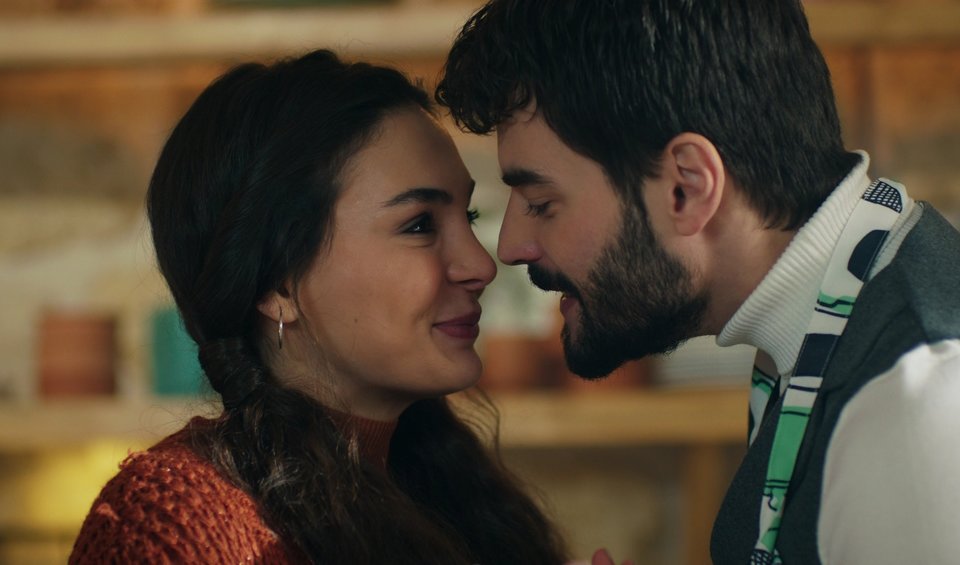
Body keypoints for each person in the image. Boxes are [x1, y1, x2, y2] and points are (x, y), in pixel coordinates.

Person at [435, 1, 960, 563]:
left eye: (542, 203)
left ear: (687, 187)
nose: (510, 247)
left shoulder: (918, 414)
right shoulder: (834, 311)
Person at [69, 49, 570, 564]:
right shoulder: (173, 525)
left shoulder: (450, 493)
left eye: (469, 216)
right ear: (277, 286)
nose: (481, 265)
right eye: (420, 224)